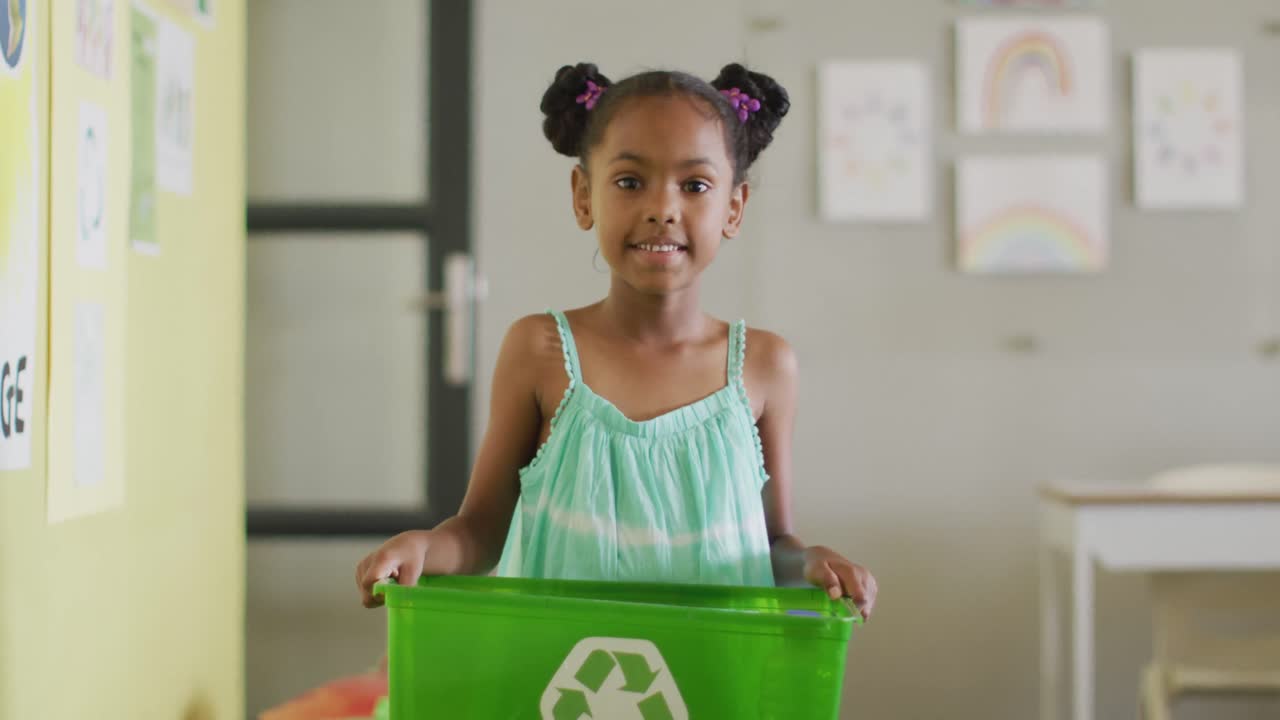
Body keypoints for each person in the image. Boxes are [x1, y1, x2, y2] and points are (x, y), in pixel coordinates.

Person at [356, 62, 877, 619]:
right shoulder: (539, 351)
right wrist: (422, 546)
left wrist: (812, 562)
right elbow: (480, 532)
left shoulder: (766, 365)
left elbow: (771, 544)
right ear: (583, 196)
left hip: (711, 677)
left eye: (695, 185)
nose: (662, 209)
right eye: (629, 182)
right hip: (561, 684)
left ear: (734, 207)